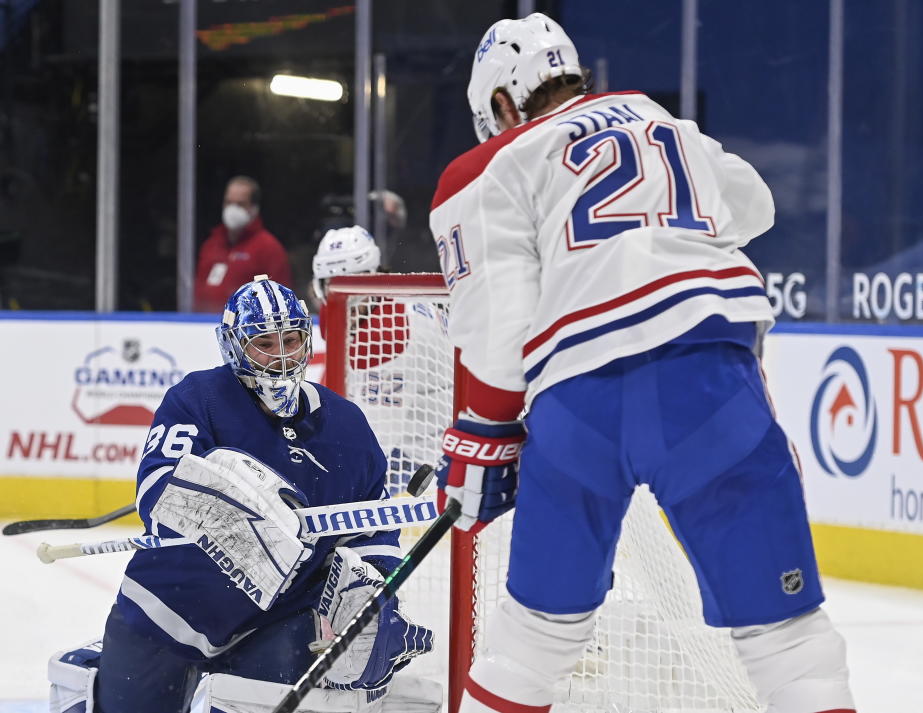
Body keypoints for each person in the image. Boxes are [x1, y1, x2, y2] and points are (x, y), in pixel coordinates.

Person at [429, 13, 856, 713]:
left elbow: (499, 326)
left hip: (579, 400)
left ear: (503, 104)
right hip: (711, 387)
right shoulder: (661, 121)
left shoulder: (488, 166)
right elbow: (754, 202)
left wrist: (485, 434)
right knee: (791, 646)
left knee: (529, 642)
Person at [47, 276, 436, 713]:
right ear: (234, 346)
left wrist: (374, 601)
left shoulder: (348, 425)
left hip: (276, 623)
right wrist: (236, 515)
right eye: (264, 343)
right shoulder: (199, 398)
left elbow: (375, 535)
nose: (282, 356)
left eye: (291, 339)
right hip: (167, 614)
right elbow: (156, 494)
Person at [311, 225, 452, 496]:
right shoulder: (390, 303)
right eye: (331, 283)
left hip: (424, 466)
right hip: (423, 442)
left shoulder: (389, 334)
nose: (344, 297)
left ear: (372, 276)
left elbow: (372, 446)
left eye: (352, 281)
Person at [194, 176, 293, 312]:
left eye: (240, 204)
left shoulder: (269, 248)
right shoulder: (211, 244)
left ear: (254, 207)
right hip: (200, 324)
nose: (232, 209)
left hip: (246, 329)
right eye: (228, 203)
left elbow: (280, 301)